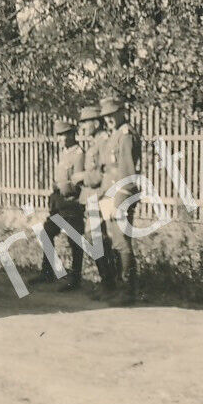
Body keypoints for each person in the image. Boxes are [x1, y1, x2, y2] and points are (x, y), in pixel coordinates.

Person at [28, 120, 86, 291]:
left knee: (74, 239)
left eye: (64, 134)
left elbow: (79, 179)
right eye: (59, 135)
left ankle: (75, 279)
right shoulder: (64, 153)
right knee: (46, 232)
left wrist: (69, 190)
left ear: (72, 134)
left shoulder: (79, 153)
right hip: (58, 201)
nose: (61, 138)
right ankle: (47, 272)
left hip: (72, 201)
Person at [98, 95, 141, 305]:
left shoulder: (126, 135)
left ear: (122, 112)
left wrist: (120, 200)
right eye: (106, 116)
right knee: (113, 240)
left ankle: (128, 290)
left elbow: (127, 170)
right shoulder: (114, 135)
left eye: (112, 114)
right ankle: (116, 287)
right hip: (109, 194)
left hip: (120, 195)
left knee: (122, 242)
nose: (109, 119)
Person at [72, 104, 116, 298]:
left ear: (96, 123)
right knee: (95, 238)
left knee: (99, 238)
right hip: (92, 196)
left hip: (101, 195)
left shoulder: (104, 142)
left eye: (86, 122)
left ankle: (110, 283)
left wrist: (83, 177)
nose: (82, 126)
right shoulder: (95, 142)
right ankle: (107, 282)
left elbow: (103, 172)